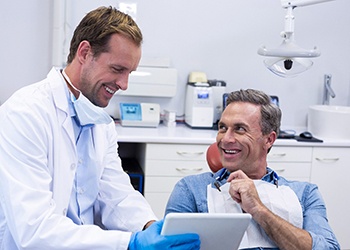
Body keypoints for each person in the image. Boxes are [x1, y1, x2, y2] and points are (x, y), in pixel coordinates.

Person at [0, 6, 200, 250]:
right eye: (117, 69)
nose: (124, 85)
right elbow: (35, 230)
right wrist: (131, 243)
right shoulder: (25, 114)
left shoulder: (99, 121)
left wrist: (149, 227)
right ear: (84, 53)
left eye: (130, 73)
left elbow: (116, 192)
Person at [165, 89, 340, 249]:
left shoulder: (305, 193)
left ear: (269, 139)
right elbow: (169, 246)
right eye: (222, 128)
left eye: (240, 129)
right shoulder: (192, 190)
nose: (226, 139)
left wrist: (258, 209)